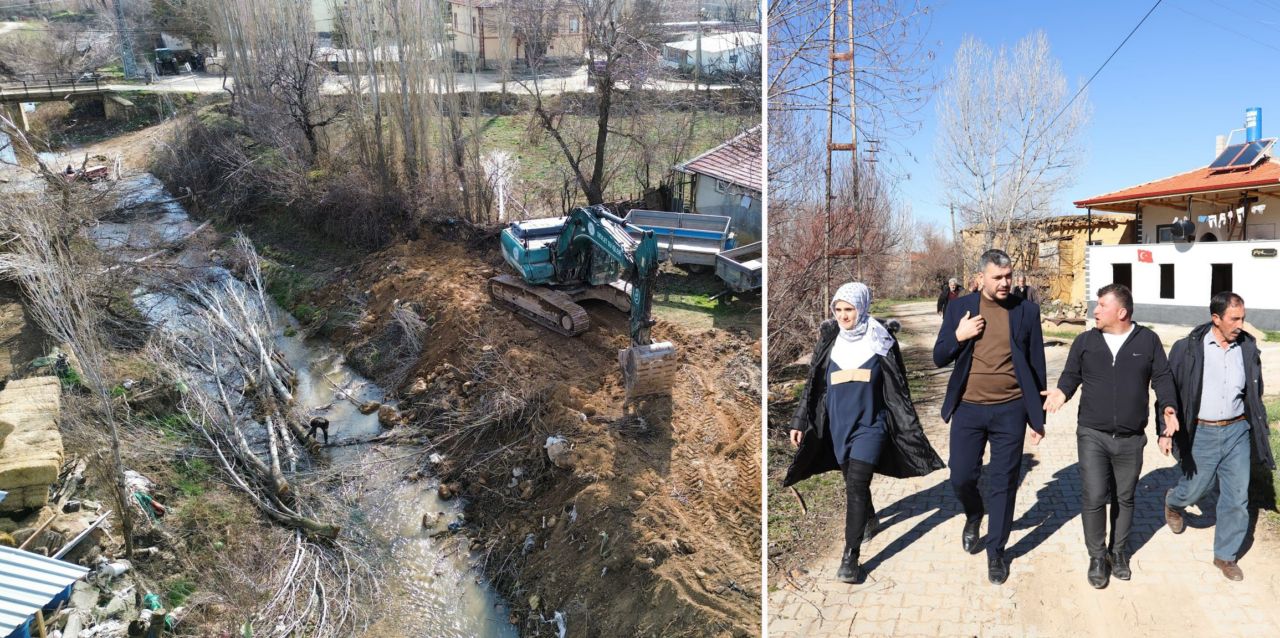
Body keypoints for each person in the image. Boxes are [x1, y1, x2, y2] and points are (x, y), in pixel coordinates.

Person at [785, 282, 944, 583]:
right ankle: (868, 518)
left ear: (863, 308)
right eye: (839, 310)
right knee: (852, 479)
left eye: (850, 309)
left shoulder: (880, 340)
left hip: (871, 426)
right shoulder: (829, 341)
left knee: (856, 486)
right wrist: (799, 420)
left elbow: (898, 389)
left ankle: (850, 558)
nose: (844, 316)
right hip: (836, 428)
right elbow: (813, 385)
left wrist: (903, 426)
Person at [1041, 283, 1178, 588]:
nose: (1095, 310)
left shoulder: (1149, 341)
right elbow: (1071, 375)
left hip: (1131, 437)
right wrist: (1062, 392)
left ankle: (1118, 553)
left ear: (1122, 312)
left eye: (1102, 305)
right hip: (1093, 433)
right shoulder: (1086, 341)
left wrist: (1168, 409)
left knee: (1125, 497)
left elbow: (1163, 380)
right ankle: (1096, 556)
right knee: (1093, 495)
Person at [933, 248, 1046, 585]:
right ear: (980, 277)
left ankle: (996, 550)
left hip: (1010, 409)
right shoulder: (959, 308)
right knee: (961, 476)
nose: (1005, 282)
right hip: (968, 408)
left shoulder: (1026, 311)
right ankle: (973, 512)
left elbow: (1037, 366)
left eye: (1009, 276)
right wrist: (958, 335)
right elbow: (939, 356)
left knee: (1004, 481)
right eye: (998, 277)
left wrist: (1037, 419)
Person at [1162, 292, 1275, 581]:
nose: (1241, 324)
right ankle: (1174, 502)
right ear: (1216, 319)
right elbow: (1168, 390)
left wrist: (1258, 424)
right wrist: (1166, 425)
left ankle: (1225, 556)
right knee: (1197, 488)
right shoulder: (1188, 348)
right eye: (1234, 319)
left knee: (1237, 496)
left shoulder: (1247, 348)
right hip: (1202, 431)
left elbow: (1254, 390)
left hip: (1237, 429)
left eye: (1243, 318)